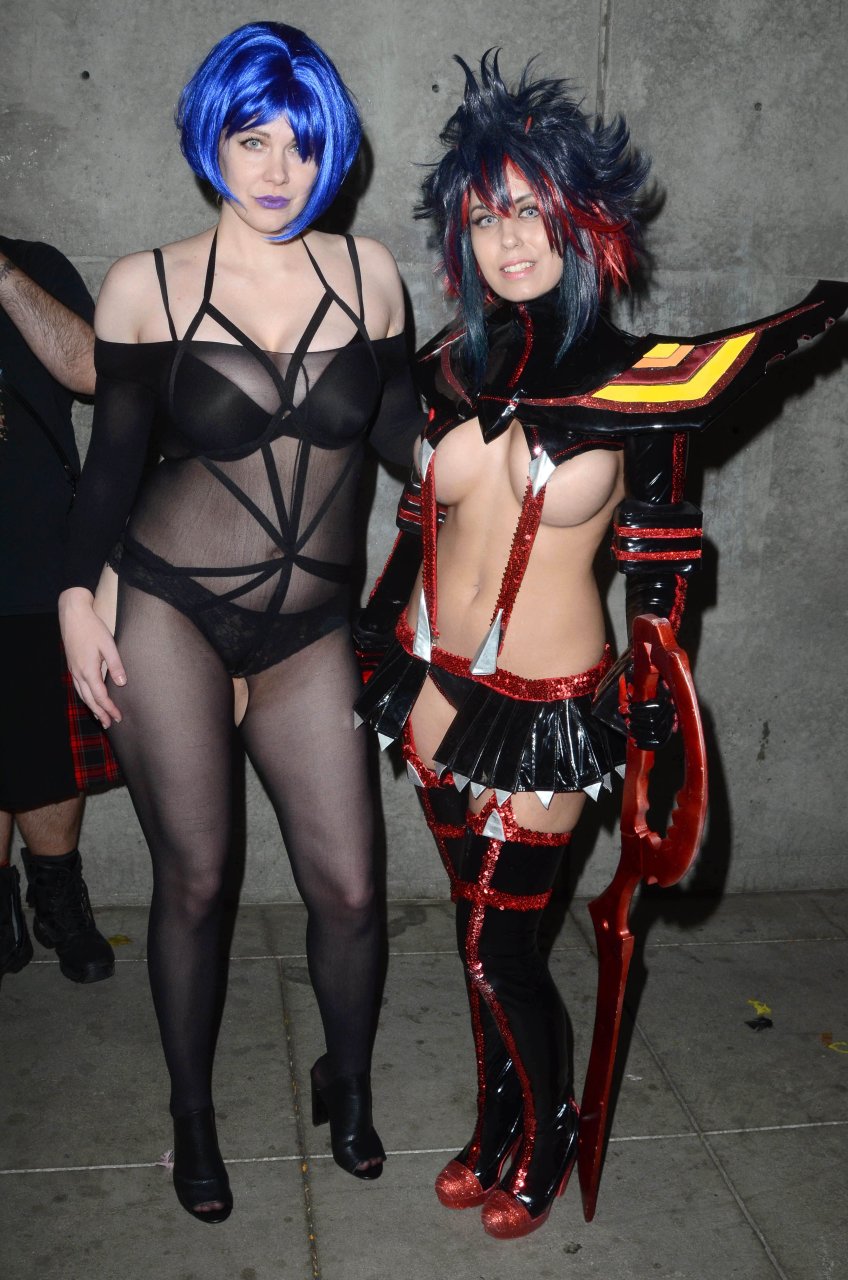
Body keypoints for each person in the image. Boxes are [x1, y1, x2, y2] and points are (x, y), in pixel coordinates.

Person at [354, 53, 847, 1240]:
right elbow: (418, 524)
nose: (507, 237)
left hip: (550, 708)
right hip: (428, 684)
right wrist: (369, 630)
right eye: (484, 215)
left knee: (496, 942)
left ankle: (549, 1126)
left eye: (529, 208)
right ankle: (495, 1120)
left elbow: (661, 562)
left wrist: (652, 685)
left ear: (582, 219)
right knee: (474, 934)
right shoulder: (441, 369)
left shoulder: (646, 388)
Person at [59, 22, 422, 1223]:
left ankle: (346, 1084)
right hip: (170, 606)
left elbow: (402, 437)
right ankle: (192, 1117)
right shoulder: (146, 285)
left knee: (351, 888)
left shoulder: (367, 274)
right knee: (199, 878)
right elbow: (111, 469)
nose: (278, 169)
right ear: (210, 139)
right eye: (253, 139)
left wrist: (517, 451)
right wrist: (75, 596)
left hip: (308, 629)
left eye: (302, 145)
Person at [0, 236, 117, 985]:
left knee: (43, 743)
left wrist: (1, 275)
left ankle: (57, 898)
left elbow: (94, 371)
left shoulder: (33, 264)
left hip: (35, 551)